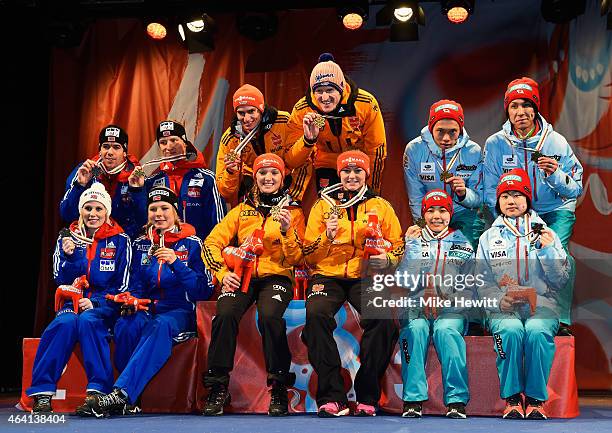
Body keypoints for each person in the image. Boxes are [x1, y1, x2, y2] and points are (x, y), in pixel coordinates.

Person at [81, 186, 213, 418]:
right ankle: (130, 400)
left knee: (159, 325)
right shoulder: (140, 244)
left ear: (176, 213)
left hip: (179, 310)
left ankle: (121, 394)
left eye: (164, 208)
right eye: (153, 209)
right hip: (147, 307)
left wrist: (176, 263)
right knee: (126, 324)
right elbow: (134, 284)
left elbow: (202, 290)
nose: (158, 213)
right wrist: (131, 299)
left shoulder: (193, 243)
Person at [202, 153, 305, 417]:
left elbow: (297, 258)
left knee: (270, 317)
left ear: (283, 178)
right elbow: (211, 243)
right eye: (262, 173)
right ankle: (217, 388)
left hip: (276, 277)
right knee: (224, 315)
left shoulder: (294, 212)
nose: (268, 178)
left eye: (274, 173)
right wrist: (223, 274)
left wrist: (286, 232)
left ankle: (279, 387)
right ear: (255, 177)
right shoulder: (241, 209)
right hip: (241, 275)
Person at [302, 150, 404, 417]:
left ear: (366, 174)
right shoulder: (323, 206)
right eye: (346, 171)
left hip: (366, 275)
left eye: (358, 171)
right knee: (315, 317)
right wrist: (327, 235)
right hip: (327, 274)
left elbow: (399, 244)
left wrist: (389, 258)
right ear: (339, 174)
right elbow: (307, 253)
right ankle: (331, 396)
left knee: (382, 320)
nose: (352, 176)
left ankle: (367, 395)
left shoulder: (380, 206)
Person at [482, 77, 582, 331]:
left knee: (559, 258)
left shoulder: (555, 142)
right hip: (514, 212)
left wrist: (556, 175)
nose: (520, 112)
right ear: (508, 110)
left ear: (535, 108)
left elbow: (575, 188)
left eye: (526, 105)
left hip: (553, 211)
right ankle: (500, 313)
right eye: (514, 106)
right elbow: (489, 189)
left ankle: (558, 319)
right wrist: (505, 215)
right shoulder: (496, 144)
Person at [475, 169, 570, 420]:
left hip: (542, 304)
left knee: (538, 331)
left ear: (528, 199)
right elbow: (481, 282)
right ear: (498, 202)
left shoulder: (546, 233)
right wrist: (497, 299)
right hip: (503, 308)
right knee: (510, 330)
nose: (511, 201)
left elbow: (560, 280)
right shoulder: (488, 238)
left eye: (518, 194)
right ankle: (513, 398)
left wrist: (549, 251)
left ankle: (537, 399)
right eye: (505, 195)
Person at [28, 183, 130, 413]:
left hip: (107, 305)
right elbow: (58, 278)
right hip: (71, 302)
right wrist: (71, 257)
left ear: (107, 212)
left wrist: (96, 303)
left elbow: (124, 284)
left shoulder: (121, 240)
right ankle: (42, 393)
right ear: (80, 211)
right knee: (64, 323)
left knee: (89, 320)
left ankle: (98, 392)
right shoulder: (67, 237)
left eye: (98, 209)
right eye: (88, 208)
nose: (92, 214)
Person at [397, 189, 475, 419]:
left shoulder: (463, 243)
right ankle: (413, 399)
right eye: (430, 210)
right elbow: (403, 281)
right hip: (415, 306)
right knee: (416, 329)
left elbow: (471, 287)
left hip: (451, 309)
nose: (437, 216)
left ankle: (457, 400)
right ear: (423, 214)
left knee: (446, 331)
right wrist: (411, 247)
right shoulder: (413, 239)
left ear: (450, 214)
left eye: (442, 210)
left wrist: (448, 300)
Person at [285, 54, 387, 193]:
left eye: (330, 90)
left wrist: (372, 190)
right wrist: (308, 141)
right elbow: (291, 161)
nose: (325, 98)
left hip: (358, 163)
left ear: (341, 87)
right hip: (327, 163)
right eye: (319, 91)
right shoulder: (302, 110)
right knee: (329, 210)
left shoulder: (365, 103)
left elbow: (376, 150)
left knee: (362, 209)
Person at [403, 100, 484, 248]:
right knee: (429, 256)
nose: (446, 138)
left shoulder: (473, 151)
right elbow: (415, 196)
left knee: (464, 258)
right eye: (440, 131)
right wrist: (422, 225)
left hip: (463, 212)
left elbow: (479, 198)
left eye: (452, 131)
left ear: (460, 130)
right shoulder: (414, 150)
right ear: (431, 128)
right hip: (432, 213)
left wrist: (464, 193)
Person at [129, 120, 226, 241]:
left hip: (197, 252)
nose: (169, 146)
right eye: (163, 142)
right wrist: (137, 190)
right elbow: (143, 221)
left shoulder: (207, 178)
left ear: (185, 142)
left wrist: (211, 250)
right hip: (163, 251)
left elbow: (219, 222)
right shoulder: (152, 181)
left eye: (174, 140)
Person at [216, 84, 312, 202]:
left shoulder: (283, 121)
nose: (246, 119)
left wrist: (294, 197)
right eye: (241, 113)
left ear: (261, 109)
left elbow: (298, 160)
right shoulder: (231, 138)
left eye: (251, 111)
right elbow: (224, 191)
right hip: (256, 183)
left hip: (287, 179)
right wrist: (230, 171)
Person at [60, 125, 144, 238]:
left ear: (124, 152)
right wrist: (80, 185)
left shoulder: (136, 174)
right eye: (106, 146)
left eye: (116, 147)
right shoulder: (86, 170)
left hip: (124, 242)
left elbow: (144, 220)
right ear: (100, 150)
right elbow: (66, 214)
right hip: (89, 240)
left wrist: (137, 190)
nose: (110, 152)